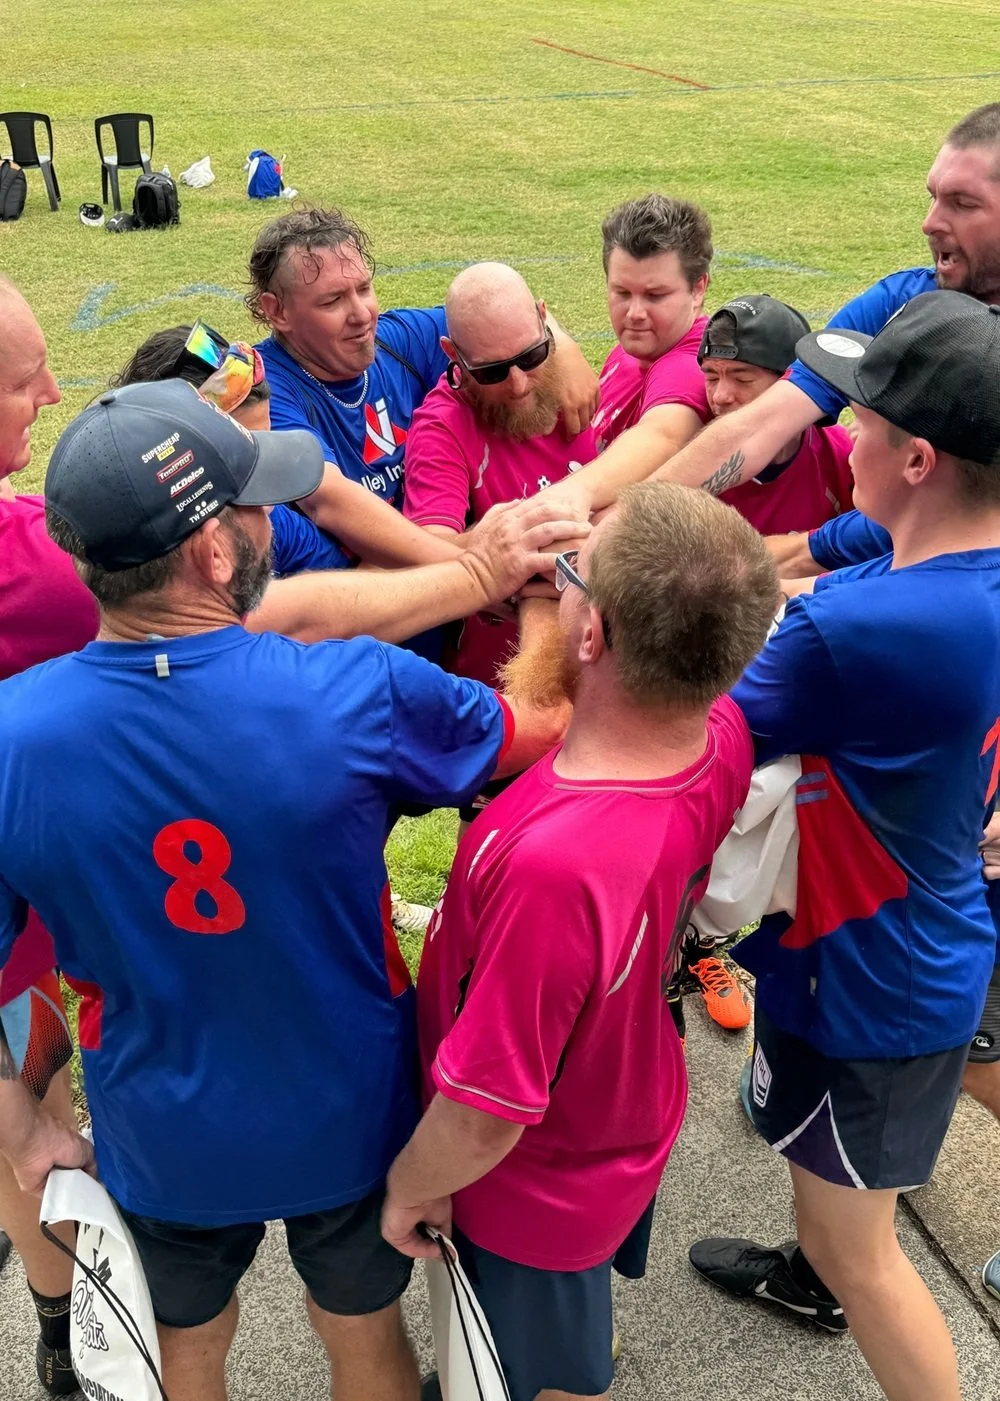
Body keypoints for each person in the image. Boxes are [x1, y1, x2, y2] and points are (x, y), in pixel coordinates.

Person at [0, 378, 580, 1401]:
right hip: (349, 1112)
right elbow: (538, 730)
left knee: (185, 1351)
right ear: (214, 554)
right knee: (363, 1335)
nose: (273, 518)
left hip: (162, 1130)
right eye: (253, 503)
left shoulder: (11, 737)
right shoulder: (355, 690)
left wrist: (22, 1126)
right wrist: (543, 605)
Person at [381, 482, 779, 1401]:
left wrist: (413, 1181)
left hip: (535, 1177)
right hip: (622, 1089)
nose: (555, 591)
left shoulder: (558, 865)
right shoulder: (718, 729)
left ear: (592, 634)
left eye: (569, 577)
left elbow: (488, 1106)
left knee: (547, 1373)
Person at [688, 291, 1000, 1401]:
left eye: (858, 417)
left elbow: (695, 726)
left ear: (916, 459)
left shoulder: (862, 628)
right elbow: (844, 575)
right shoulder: (940, 581)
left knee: (857, 1254)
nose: (838, 433)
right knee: (828, 1197)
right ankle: (804, 1265)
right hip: (915, 938)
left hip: (867, 976)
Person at [650, 101, 1000, 500]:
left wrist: (817, 547)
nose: (930, 222)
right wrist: (625, 527)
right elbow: (765, 422)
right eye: (933, 197)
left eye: (963, 204)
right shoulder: (900, 304)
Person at [249, 206, 599, 542]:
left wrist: (563, 345)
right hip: (356, 584)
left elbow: (503, 318)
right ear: (277, 311)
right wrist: (477, 558)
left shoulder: (399, 340)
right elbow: (330, 502)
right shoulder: (267, 393)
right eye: (332, 301)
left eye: (364, 289)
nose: (361, 315)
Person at [0, 274, 98, 1397]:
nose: (56, 392)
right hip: (17, 922)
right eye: (31, 383)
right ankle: (63, 1321)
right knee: (33, 1114)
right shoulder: (37, 563)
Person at [404, 261, 598, 688]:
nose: (518, 385)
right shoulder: (442, 428)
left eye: (531, 356)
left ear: (546, 324)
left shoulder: (569, 380)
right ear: (453, 355)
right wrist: (509, 564)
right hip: (509, 685)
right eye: (491, 371)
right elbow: (426, 548)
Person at [698, 294, 854, 534]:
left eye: (742, 379)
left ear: (792, 382)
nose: (720, 396)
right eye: (711, 377)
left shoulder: (845, 459)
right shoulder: (686, 454)